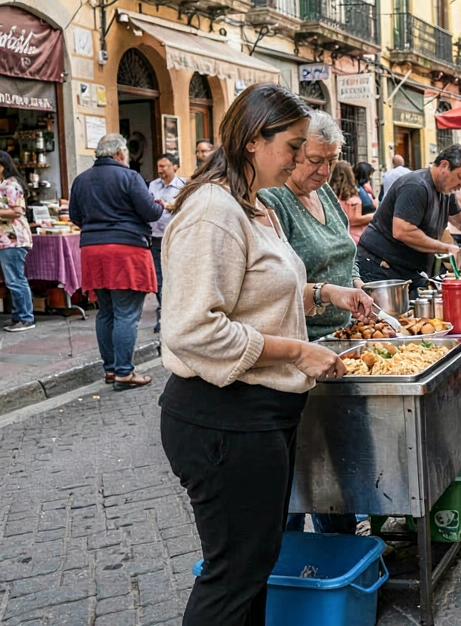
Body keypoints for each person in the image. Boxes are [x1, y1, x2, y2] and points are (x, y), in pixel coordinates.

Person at [159, 83, 374, 624]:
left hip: (261, 415)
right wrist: (297, 351)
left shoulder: (256, 208)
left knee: (258, 563)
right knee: (233, 573)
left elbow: (260, 293)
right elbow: (194, 329)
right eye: (295, 146)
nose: (303, 159)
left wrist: (325, 293)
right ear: (255, 140)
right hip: (222, 417)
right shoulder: (212, 211)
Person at [258, 113, 362, 536]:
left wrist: (354, 286)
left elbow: (344, 255)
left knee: (333, 464)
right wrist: (327, 293)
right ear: (293, 153)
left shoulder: (327, 197)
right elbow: (279, 283)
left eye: (331, 162)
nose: (323, 171)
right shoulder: (273, 199)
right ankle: (294, 562)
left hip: (341, 341)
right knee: (303, 470)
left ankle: (340, 547)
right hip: (301, 349)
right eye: (315, 160)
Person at [69, 133, 164, 390]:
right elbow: (151, 212)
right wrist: (160, 204)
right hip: (126, 249)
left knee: (106, 311)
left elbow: (75, 216)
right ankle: (124, 373)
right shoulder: (130, 177)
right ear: (120, 153)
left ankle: (110, 370)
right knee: (126, 313)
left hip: (92, 250)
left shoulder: (81, 179)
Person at [356, 145, 461, 289]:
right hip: (380, 265)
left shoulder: (445, 191)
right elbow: (402, 230)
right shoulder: (416, 186)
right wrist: (445, 248)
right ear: (444, 166)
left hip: (407, 269)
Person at [148, 152, 186, 332]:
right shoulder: (152, 185)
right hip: (156, 238)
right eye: (159, 166)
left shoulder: (184, 186)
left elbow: (187, 207)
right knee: (159, 279)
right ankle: (163, 316)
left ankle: (178, 315)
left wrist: (171, 206)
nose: (161, 170)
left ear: (175, 167)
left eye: (165, 166)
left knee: (177, 276)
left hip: (177, 238)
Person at [0, 150, 34, 332]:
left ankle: (26, 318)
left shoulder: (10, 186)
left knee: (15, 279)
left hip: (13, 239)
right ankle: (17, 316)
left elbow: (18, 211)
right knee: (12, 279)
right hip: (5, 240)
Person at [330, 160, 372, 242]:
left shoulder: (329, 196)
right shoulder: (352, 198)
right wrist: (372, 216)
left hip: (336, 237)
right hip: (355, 236)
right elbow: (353, 220)